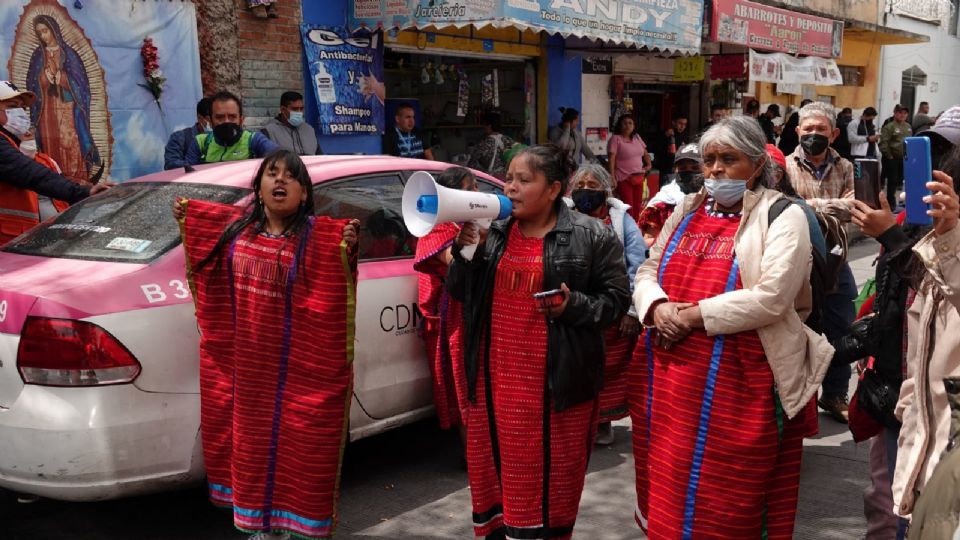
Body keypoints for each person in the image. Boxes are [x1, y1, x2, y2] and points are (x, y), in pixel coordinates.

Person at [632, 116, 832, 537]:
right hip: (669, 383)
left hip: (741, 385)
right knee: (669, 484)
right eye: (708, 161)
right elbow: (648, 268)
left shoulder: (783, 216)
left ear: (757, 164)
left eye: (728, 159)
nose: (715, 170)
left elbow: (773, 296)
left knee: (728, 503)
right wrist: (658, 308)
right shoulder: (685, 210)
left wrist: (690, 315)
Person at [174, 149, 360, 540]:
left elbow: (335, 279)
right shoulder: (237, 232)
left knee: (303, 452)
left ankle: (295, 530)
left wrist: (347, 245)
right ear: (258, 187)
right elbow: (205, 235)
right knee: (252, 451)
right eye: (271, 174)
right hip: (250, 375)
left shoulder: (320, 237)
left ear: (305, 194)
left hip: (298, 375)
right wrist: (188, 218)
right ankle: (260, 529)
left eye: (290, 177)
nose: (280, 181)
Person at [446, 144, 629, 539]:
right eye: (508, 178)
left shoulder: (591, 235)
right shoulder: (492, 231)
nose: (510, 188)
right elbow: (460, 291)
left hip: (553, 391)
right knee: (496, 480)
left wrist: (573, 305)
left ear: (553, 189)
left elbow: (616, 302)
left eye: (524, 180)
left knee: (549, 490)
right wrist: (465, 249)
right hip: (493, 385)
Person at [890, 146, 960, 527]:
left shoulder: (947, 251)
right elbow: (918, 351)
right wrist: (909, 412)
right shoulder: (935, 257)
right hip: (925, 455)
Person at [785, 101, 857, 424]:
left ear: (835, 133)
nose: (813, 135)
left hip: (837, 260)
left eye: (821, 130)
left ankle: (835, 393)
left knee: (843, 327)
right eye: (808, 129)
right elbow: (786, 208)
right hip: (797, 263)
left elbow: (856, 208)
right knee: (798, 329)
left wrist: (809, 205)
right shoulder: (782, 167)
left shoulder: (846, 168)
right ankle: (801, 400)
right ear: (798, 131)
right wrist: (832, 206)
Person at [567, 163, 645, 446]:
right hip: (573, 310)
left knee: (607, 370)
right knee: (574, 368)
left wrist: (632, 312)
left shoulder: (622, 220)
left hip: (611, 311)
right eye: (581, 186)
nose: (586, 191)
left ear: (606, 190)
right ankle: (576, 425)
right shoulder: (561, 215)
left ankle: (602, 423)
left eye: (592, 186)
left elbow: (637, 266)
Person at [0, 83, 110, 244]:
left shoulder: (12, 143)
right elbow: (30, 174)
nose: (20, 113)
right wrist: (82, 192)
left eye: (22, 108)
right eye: (11, 106)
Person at [413, 167, 475, 442]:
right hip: (452, 318)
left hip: (471, 312)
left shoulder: (463, 225)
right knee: (460, 379)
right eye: (469, 188)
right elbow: (453, 261)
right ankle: (469, 450)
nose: (475, 193)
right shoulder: (435, 227)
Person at [26, 15, 102, 185]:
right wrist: (44, 78)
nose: (43, 36)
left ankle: (77, 178)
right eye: (40, 33)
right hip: (46, 110)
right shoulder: (38, 57)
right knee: (50, 141)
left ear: (53, 30)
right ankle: (57, 178)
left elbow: (82, 85)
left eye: (45, 31)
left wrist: (61, 77)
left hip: (68, 107)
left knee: (71, 140)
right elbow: (32, 84)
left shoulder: (69, 54)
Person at [184, 91, 279, 165]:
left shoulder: (253, 140)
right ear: (210, 121)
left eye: (232, 117)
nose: (226, 121)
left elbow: (280, 158)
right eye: (220, 117)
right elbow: (188, 175)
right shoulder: (201, 143)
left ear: (241, 120)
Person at [636, 143, 703, 246]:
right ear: (675, 170)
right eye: (682, 169)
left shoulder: (718, 201)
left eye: (695, 168)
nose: (689, 172)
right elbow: (648, 241)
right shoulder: (663, 205)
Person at [607, 114, 652, 219]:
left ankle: (635, 229)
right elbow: (611, 159)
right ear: (619, 125)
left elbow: (645, 153)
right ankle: (627, 232)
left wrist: (649, 164)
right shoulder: (615, 139)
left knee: (638, 205)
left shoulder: (637, 138)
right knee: (628, 207)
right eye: (625, 123)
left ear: (634, 126)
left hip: (639, 177)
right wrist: (612, 177)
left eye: (630, 123)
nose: (627, 125)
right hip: (623, 178)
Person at [261, 91, 323, 156]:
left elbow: (319, 157)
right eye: (294, 109)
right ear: (283, 110)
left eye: (301, 109)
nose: (299, 112)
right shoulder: (269, 131)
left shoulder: (309, 130)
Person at [164, 97, 212, 170]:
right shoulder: (180, 138)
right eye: (210, 119)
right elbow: (170, 164)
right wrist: (199, 166)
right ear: (199, 118)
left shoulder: (221, 138)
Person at [880, 105, 913, 210]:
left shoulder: (908, 126)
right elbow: (883, 143)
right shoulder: (889, 126)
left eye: (905, 113)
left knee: (902, 181)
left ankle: (903, 202)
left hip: (904, 158)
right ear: (895, 113)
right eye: (900, 112)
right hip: (892, 158)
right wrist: (889, 156)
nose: (902, 115)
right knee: (892, 182)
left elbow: (910, 141)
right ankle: (891, 203)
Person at [467, 110, 515, 179]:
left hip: (492, 180)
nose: (483, 127)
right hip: (507, 178)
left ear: (489, 126)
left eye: (484, 124)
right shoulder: (508, 140)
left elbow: (471, 165)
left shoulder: (483, 144)